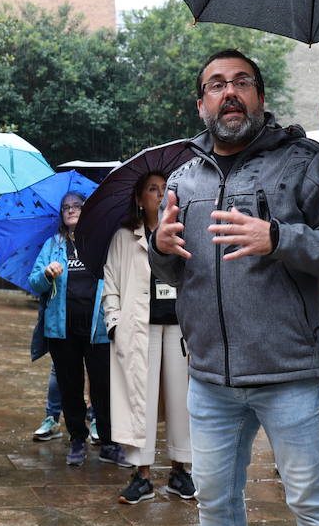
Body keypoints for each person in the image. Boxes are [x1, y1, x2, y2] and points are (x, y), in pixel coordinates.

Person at [152, 48, 319, 526]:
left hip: (288, 371)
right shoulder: (182, 174)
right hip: (209, 377)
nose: (230, 92)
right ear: (201, 103)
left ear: (260, 96)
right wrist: (160, 250)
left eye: (242, 82)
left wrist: (280, 238)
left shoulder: (303, 161)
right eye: (217, 85)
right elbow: (175, 269)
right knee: (215, 498)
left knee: (312, 501)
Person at [102, 171, 195, 504]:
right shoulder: (124, 237)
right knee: (139, 398)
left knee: (180, 399)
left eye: (163, 188)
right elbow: (110, 282)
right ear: (140, 199)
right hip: (139, 328)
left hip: (178, 326)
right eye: (152, 189)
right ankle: (141, 475)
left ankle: (180, 472)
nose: (159, 194)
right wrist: (114, 321)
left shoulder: (183, 232)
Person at [27, 192, 120, 467]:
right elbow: (34, 282)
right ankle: (77, 439)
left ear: (86, 210)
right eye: (66, 207)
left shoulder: (102, 243)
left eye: (77, 206)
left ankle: (109, 440)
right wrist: (47, 274)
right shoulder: (52, 245)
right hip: (62, 329)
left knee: (103, 387)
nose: (71, 210)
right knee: (70, 387)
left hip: (97, 328)